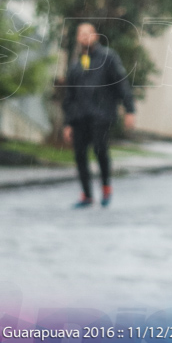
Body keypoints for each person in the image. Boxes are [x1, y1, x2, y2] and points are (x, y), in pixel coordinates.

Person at [61, 22, 136, 208]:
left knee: (100, 150)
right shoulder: (76, 65)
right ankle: (86, 195)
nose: (85, 37)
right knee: (80, 155)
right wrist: (68, 123)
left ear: (96, 36)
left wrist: (130, 110)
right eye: (81, 34)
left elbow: (121, 84)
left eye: (89, 33)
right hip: (80, 117)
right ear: (78, 38)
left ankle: (105, 187)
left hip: (101, 115)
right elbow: (69, 96)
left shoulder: (108, 58)